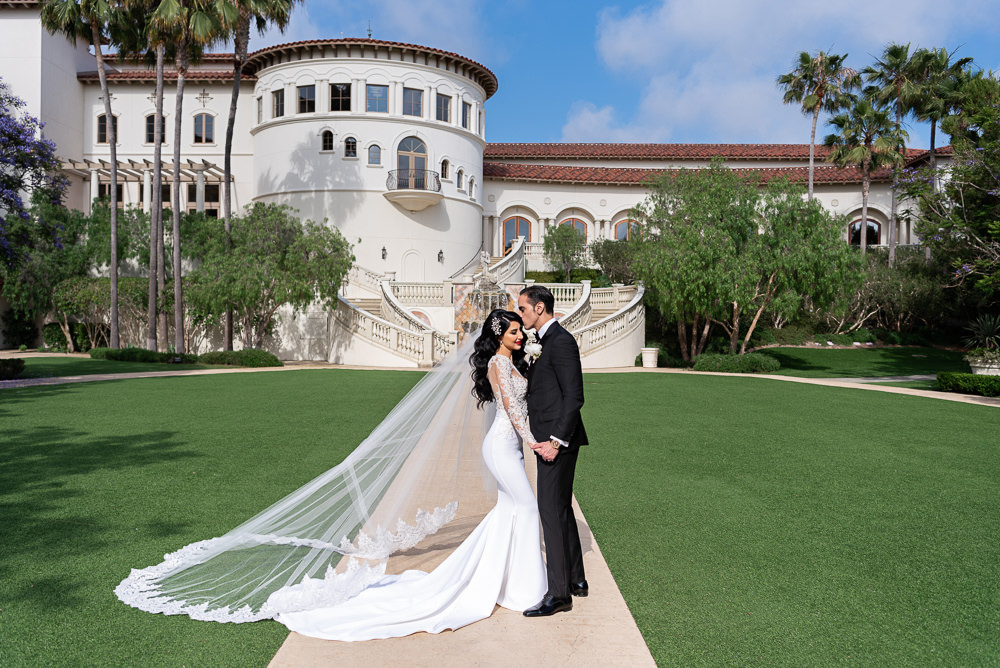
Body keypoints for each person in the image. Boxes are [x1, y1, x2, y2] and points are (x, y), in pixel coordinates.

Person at [271, 309, 547, 640]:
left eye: (520, 331)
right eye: (513, 332)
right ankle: (529, 590)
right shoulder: (498, 365)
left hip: (510, 446)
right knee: (528, 508)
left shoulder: (515, 363)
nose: (519, 336)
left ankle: (506, 583)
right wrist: (534, 442)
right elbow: (513, 409)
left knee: (510, 510)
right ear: (498, 335)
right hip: (503, 447)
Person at [517, 285, 589, 618]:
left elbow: (574, 397)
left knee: (550, 511)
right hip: (551, 439)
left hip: (557, 442)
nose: (521, 314)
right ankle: (576, 580)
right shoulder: (542, 344)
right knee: (560, 509)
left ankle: (559, 594)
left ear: (540, 308)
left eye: (523, 309)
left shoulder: (561, 342)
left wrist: (556, 442)